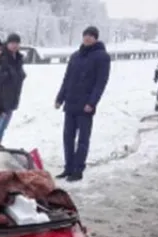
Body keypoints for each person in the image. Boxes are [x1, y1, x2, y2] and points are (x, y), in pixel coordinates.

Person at [54, 26, 110, 182]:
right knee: (68, 137)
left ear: (96, 38)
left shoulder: (102, 57)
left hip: (86, 105)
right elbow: (67, 78)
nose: (87, 38)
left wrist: (92, 102)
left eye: (91, 36)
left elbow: (101, 83)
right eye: (86, 35)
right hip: (71, 102)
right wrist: (60, 98)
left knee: (83, 139)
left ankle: (78, 169)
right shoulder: (75, 56)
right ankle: (68, 167)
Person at [0, 32, 26, 140]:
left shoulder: (18, 58)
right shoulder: (2, 56)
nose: (15, 45)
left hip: (12, 99)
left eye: (17, 43)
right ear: (8, 43)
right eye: (12, 43)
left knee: (3, 128)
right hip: (0, 101)